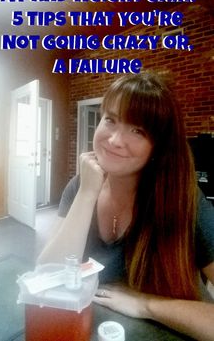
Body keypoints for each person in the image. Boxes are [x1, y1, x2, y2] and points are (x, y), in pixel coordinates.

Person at [38, 72, 214, 341]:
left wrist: (145, 304)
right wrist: (87, 193)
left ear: (157, 147)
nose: (115, 140)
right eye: (111, 119)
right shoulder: (80, 186)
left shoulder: (186, 201)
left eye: (138, 130)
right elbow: (47, 277)